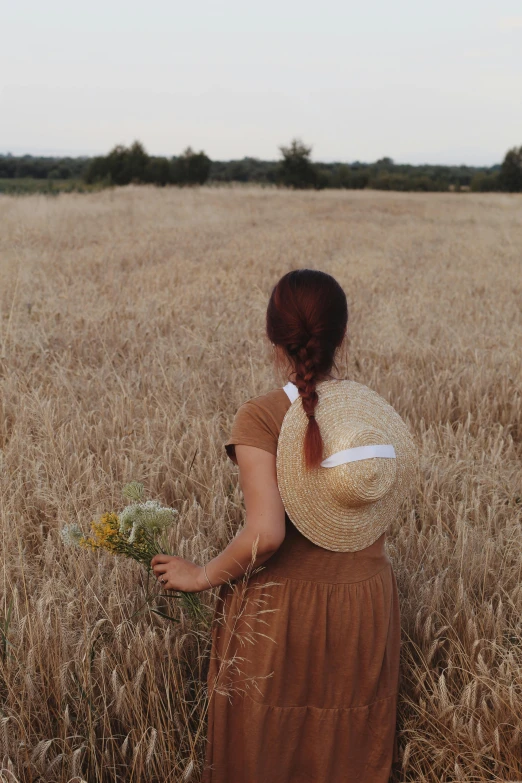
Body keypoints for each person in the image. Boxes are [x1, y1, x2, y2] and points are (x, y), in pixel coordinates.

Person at [151, 268, 418, 783]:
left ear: (274, 336)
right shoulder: (371, 416)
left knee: (265, 753)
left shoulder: (263, 415)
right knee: (348, 752)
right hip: (363, 608)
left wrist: (200, 575)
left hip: (283, 614)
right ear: (342, 334)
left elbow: (267, 534)